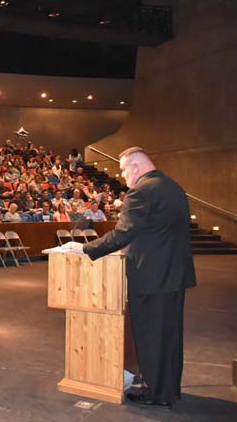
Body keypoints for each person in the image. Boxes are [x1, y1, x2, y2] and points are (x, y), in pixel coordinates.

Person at [65, 147, 196, 408]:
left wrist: (85, 248)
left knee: (151, 334)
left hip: (152, 277)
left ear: (135, 167)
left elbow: (122, 233)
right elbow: (156, 231)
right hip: (174, 274)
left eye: (124, 170)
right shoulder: (173, 187)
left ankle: (156, 393)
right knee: (169, 335)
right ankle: (167, 388)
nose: (123, 176)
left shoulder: (142, 191)